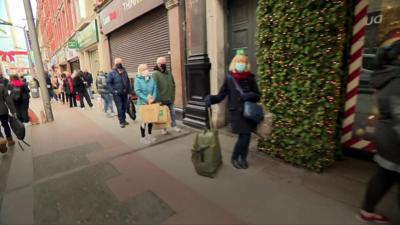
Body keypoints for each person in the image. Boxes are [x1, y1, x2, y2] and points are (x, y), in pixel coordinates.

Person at [357, 40, 400, 224]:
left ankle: (366, 212)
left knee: (385, 175)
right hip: (394, 136)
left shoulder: (386, 75)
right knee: (385, 176)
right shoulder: (397, 79)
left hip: (386, 133)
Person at [205, 54, 261, 169]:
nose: (241, 64)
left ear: (246, 64)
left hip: (248, 112)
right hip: (236, 113)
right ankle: (236, 157)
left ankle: (241, 157)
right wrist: (211, 99)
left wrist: (249, 95)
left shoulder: (250, 78)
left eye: (244, 62)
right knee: (244, 136)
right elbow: (221, 95)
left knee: (246, 136)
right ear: (235, 63)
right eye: (239, 62)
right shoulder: (230, 78)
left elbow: (258, 95)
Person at [152, 57, 181, 134]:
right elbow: (154, 88)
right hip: (161, 99)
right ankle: (163, 128)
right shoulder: (155, 74)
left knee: (173, 113)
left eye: (164, 63)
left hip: (170, 98)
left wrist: (173, 95)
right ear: (158, 64)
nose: (163, 65)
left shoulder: (168, 72)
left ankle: (174, 126)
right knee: (162, 115)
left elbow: (173, 84)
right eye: (162, 64)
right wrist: (157, 99)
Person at [135, 64, 157, 144]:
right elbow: (137, 91)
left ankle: (150, 135)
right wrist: (146, 99)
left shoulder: (151, 78)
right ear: (140, 71)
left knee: (150, 120)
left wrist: (153, 98)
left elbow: (155, 88)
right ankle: (143, 137)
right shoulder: (137, 79)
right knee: (143, 121)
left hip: (151, 103)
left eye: (147, 69)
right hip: (142, 103)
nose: (146, 71)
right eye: (144, 70)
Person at [107, 58, 131, 128]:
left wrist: (129, 91)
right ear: (115, 63)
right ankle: (121, 122)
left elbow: (127, 81)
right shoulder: (111, 73)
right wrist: (113, 91)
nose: (119, 63)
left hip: (125, 92)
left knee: (124, 107)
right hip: (117, 94)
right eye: (117, 62)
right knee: (120, 108)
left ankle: (124, 119)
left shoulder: (124, 71)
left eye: (120, 62)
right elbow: (108, 83)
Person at [0, 82, 16, 153]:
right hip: (2, 110)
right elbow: (8, 100)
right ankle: (10, 140)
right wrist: (13, 111)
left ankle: (1, 141)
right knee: (6, 125)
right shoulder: (2, 87)